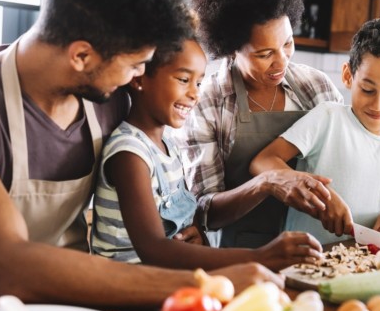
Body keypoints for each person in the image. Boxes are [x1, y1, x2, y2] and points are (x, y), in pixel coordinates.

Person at [0, 0, 280, 311]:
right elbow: (9, 269)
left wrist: (184, 230)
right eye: (136, 65)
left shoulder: (109, 97)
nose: (139, 77)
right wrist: (206, 282)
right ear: (81, 56)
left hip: (72, 310)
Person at [91, 26, 322, 271]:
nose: (195, 94)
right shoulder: (130, 153)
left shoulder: (168, 145)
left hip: (163, 277)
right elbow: (154, 249)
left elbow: (182, 222)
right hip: (128, 284)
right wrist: (260, 257)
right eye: (183, 80)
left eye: (199, 82)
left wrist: (196, 233)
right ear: (138, 78)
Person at [176, 0, 345, 249]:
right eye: (265, 54)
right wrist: (266, 183)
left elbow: (353, 161)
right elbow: (204, 211)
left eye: (288, 44)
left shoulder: (315, 87)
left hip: (318, 249)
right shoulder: (208, 102)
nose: (281, 62)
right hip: (240, 255)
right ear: (231, 48)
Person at [251, 19, 380, 244]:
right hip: (306, 260)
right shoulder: (328, 118)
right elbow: (263, 161)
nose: (378, 105)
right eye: (368, 89)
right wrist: (318, 192)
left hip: (364, 266)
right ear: (348, 76)